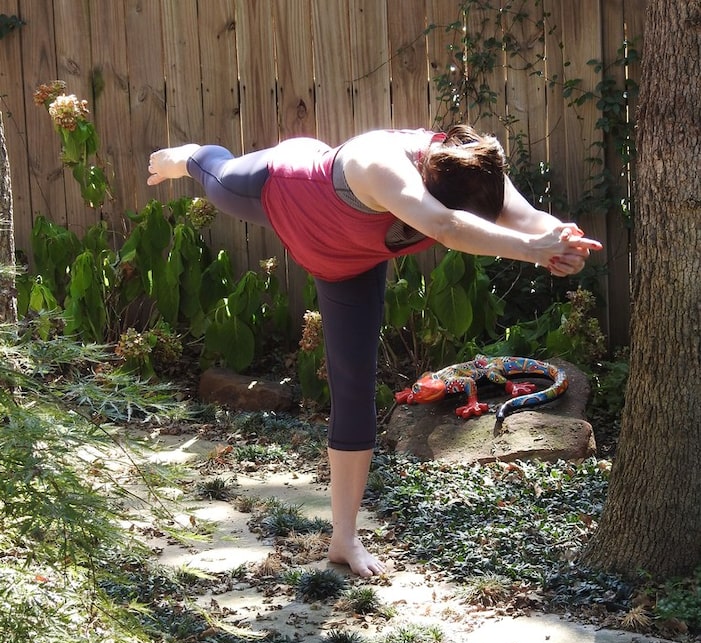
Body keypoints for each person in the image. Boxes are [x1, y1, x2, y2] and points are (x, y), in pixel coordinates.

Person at [147, 126, 602, 578]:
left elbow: (528, 222)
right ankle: (187, 155)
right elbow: (445, 226)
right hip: (287, 192)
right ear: (425, 188)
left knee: (354, 391)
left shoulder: (475, 169)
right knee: (217, 174)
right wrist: (532, 250)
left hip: (350, 263)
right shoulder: (378, 161)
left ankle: (343, 538)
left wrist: (562, 241)